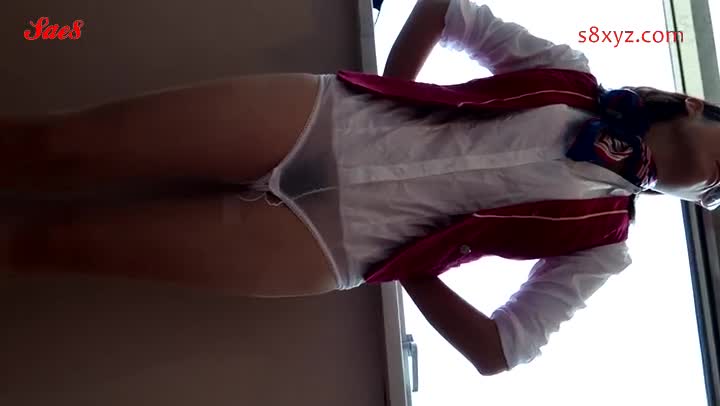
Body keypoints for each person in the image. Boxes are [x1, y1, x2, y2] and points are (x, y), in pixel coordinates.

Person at [2, 0, 719, 376]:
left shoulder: (604, 245)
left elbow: (499, 351)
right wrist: (396, 93)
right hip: (327, 117)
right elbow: (447, 10)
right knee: (61, 144)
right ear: (699, 107)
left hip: (328, 247)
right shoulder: (571, 76)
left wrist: (418, 261)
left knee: (61, 244)